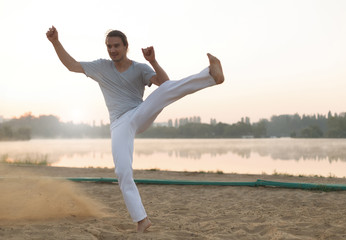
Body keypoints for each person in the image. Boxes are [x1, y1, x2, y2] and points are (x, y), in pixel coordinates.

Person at [46, 25, 224, 232]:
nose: (112, 50)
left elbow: (166, 84)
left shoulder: (140, 68)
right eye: (109, 46)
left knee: (165, 91)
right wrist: (55, 42)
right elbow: (72, 65)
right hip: (119, 124)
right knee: (122, 171)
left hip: (140, 113)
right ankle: (141, 220)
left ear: (125, 47)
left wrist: (153, 62)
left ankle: (211, 76)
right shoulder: (101, 67)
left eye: (116, 46)